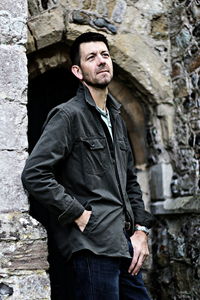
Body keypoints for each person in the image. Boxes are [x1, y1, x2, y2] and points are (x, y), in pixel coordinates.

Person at [22, 31, 154, 300]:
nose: (102, 61)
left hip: (124, 244)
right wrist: (77, 214)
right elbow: (35, 174)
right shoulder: (68, 115)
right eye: (91, 57)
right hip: (92, 246)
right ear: (78, 71)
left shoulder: (116, 118)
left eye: (105, 55)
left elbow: (129, 181)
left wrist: (141, 230)